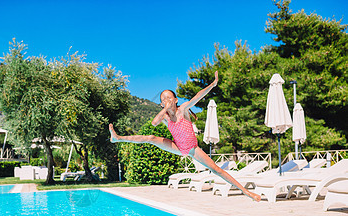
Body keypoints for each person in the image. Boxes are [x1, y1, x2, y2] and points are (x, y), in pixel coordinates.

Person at [109, 71, 261, 201]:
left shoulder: (183, 109)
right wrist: (165, 109)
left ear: (175, 100)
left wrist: (212, 85)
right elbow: (155, 123)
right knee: (150, 138)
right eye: (163, 100)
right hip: (176, 146)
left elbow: (197, 96)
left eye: (169, 98)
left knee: (216, 169)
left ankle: (246, 191)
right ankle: (118, 138)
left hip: (193, 148)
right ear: (161, 104)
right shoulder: (165, 116)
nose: (166, 100)